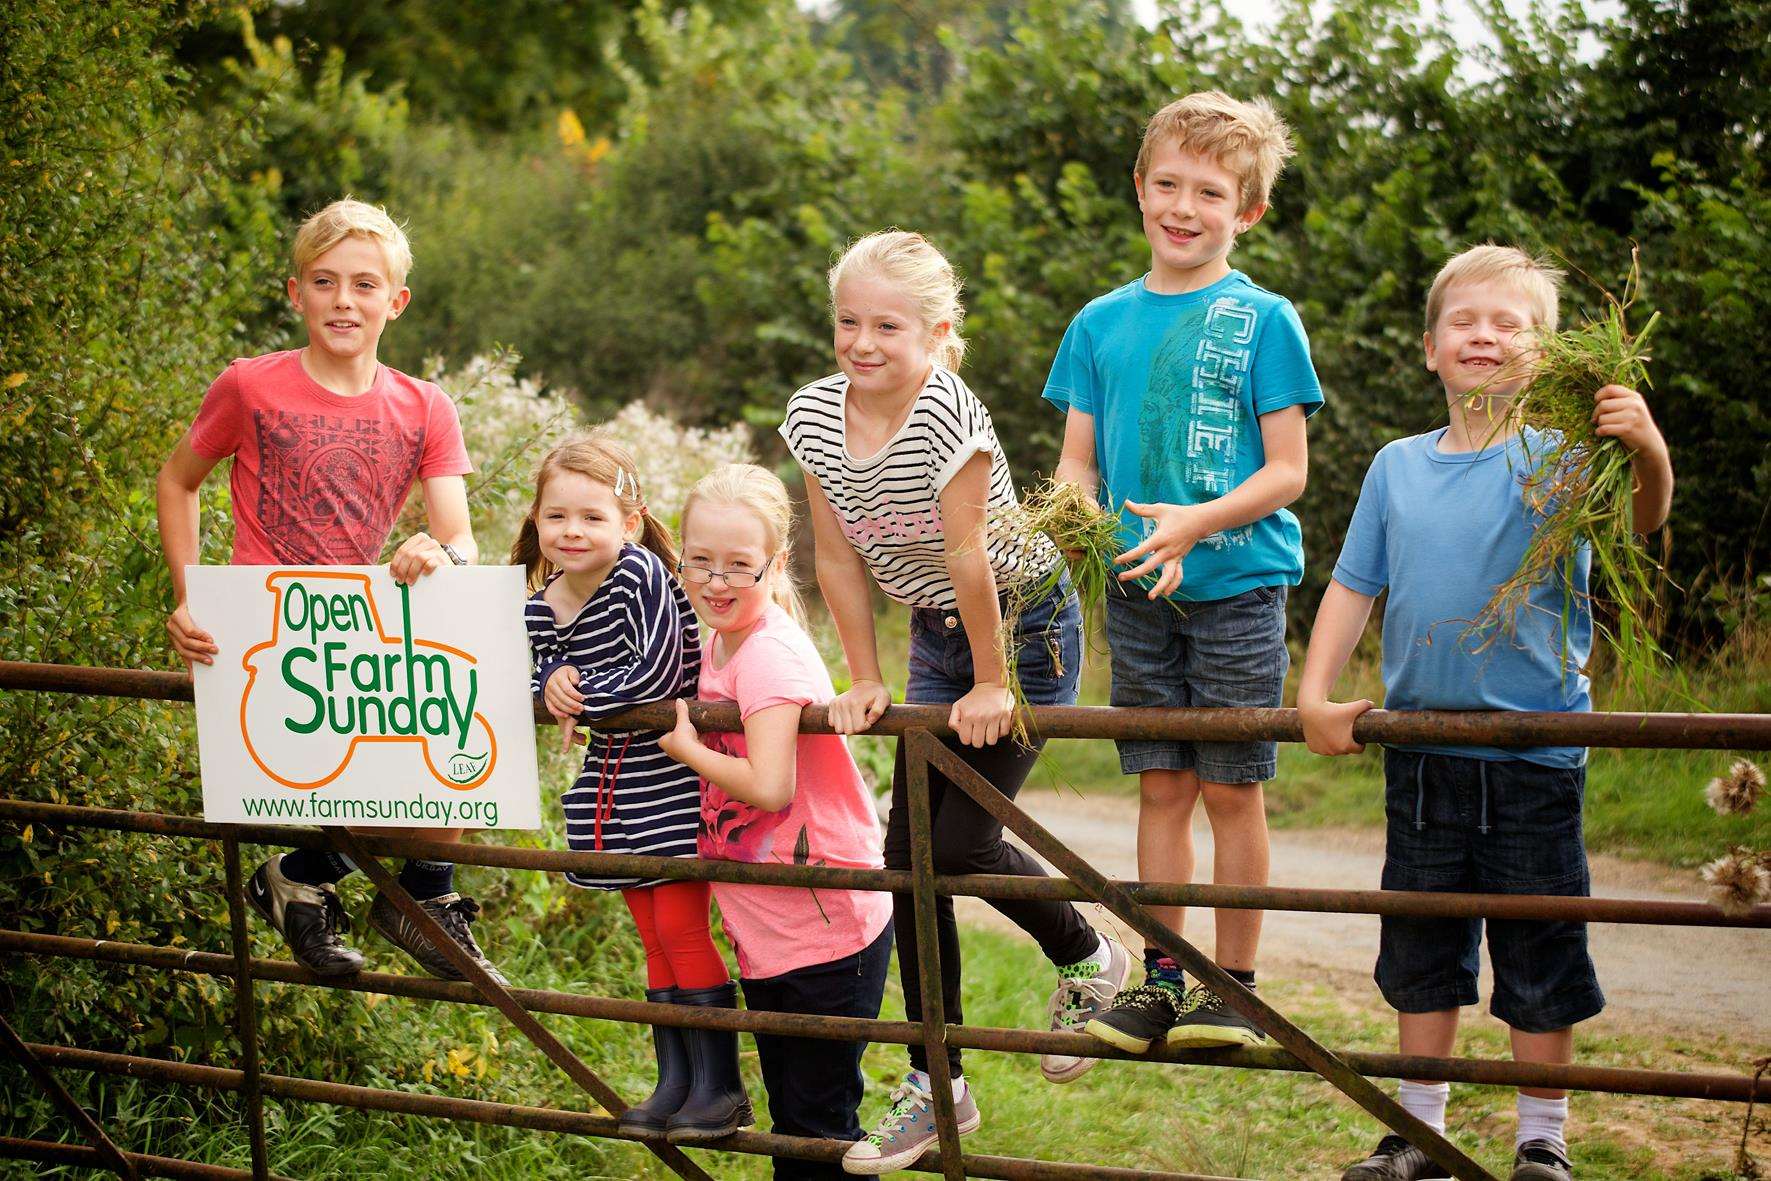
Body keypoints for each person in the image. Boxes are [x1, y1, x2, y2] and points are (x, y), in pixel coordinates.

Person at [1298, 244, 1674, 1181]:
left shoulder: (1568, 461)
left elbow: (1642, 521)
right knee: (1422, 940)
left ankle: (1540, 1138)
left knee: (1537, 948)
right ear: (1429, 346)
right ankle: (1417, 1131)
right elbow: (1353, 587)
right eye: (1465, 320)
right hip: (1420, 749)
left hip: (1534, 750)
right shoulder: (1396, 466)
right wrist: (1310, 693)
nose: (1485, 336)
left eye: (1510, 324)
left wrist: (1647, 447)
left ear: (1544, 354)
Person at [779, 229, 1131, 1176]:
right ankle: (938, 1082)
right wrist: (862, 675)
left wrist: (990, 680)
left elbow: (972, 557)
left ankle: (1087, 955)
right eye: (847, 320)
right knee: (909, 858)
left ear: (935, 334)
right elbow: (836, 553)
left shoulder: (947, 416)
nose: (861, 341)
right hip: (936, 630)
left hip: (1022, 625)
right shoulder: (813, 415)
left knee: (963, 843)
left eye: (886, 324)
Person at [156, 197, 503, 984]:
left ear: (395, 301)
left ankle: (359, 885)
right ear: (296, 294)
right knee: (373, 772)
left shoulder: (425, 406)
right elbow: (178, 481)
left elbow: (459, 533)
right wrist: (189, 597)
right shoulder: (249, 386)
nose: (344, 300)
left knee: (458, 744)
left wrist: (437, 549)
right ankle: (361, 886)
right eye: (324, 282)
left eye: (364, 285)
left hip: (359, 627)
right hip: (265, 628)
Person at [1044, 91, 1320, 1052]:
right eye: (1168, 182)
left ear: (1245, 211)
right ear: (1139, 188)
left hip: (1238, 585)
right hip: (1134, 589)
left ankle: (1232, 991)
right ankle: (1163, 981)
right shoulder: (1096, 323)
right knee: (1160, 785)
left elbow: (1288, 471)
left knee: (1232, 787)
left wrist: (1195, 523)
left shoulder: (1264, 318)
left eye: (1210, 191)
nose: (1183, 205)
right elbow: (1077, 464)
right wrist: (1070, 521)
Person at [658, 463, 895, 1180]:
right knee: (797, 1125)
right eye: (699, 561)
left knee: (814, 1132)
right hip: (775, 926)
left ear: (776, 563)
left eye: (738, 565)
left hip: (827, 928)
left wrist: (687, 748)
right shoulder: (722, 642)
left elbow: (768, 785)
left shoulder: (766, 652)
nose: (716, 580)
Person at [515, 434, 751, 1144]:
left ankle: (722, 1088)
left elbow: (652, 681)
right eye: (556, 517)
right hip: (608, 788)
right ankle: (674, 1080)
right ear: (537, 522)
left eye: (591, 516)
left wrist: (574, 695)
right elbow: (534, 676)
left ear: (627, 520)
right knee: (651, 937)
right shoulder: (541, 603)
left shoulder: (641, 574)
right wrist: (546, 683)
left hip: (668, 773)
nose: (572, 531)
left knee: (681, 927)